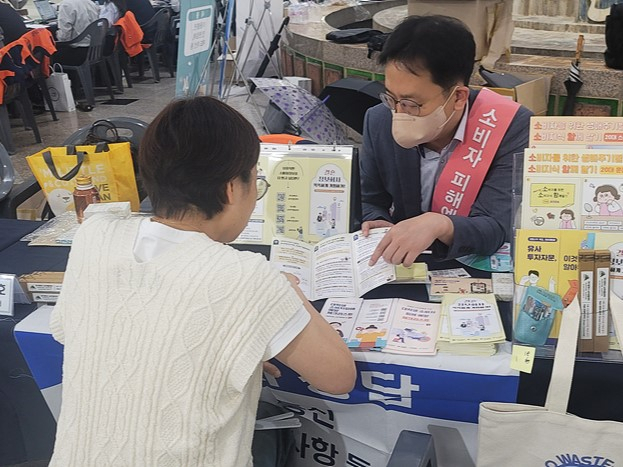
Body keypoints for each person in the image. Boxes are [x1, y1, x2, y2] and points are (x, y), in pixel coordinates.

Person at [48, 97, 356, 466]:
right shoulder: (249, 277)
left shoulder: (93, 235)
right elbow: (338, 376)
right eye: (254, 182)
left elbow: (109, 330)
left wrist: (218, 349)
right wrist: (286, 291)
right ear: (231, 189)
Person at [361, 15, 533, 267]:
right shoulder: (378, 119)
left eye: (412, 103)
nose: (399, 112)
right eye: (391, 98)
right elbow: (370, 198)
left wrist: (441, 224)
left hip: (469, 266)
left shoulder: (510, 126)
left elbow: (497, 225)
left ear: (459, 97)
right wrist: (375, 221)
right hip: (402, 264)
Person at [53, 0, 100, 65]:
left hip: (78, 52)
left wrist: (56, 36)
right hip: (95, 50)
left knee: (49, 52)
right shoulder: (91, 3)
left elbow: (64, 37)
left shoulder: (66, 5)